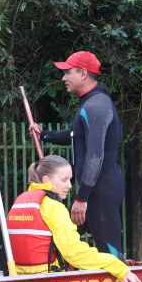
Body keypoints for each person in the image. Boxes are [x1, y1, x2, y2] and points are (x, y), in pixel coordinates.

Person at [28, 51, 126, 260]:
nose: (63, 78)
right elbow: (75, 135)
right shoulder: (89, 102)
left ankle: (124, 281)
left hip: (100, 192)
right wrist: (43, 134)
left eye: (67, 73)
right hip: (93, 191)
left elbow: (95, 156)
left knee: (111, 255)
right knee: (63, 242)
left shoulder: (97, 105)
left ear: (83, 73)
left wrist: (82, 198)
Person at [7, 155, 141, 282]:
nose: (70, 185)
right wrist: (115, 264)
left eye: (70, 180)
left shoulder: (20, 202)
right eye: (64, 180)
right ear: (46, 180)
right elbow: (74, 252)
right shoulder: (54, 208)